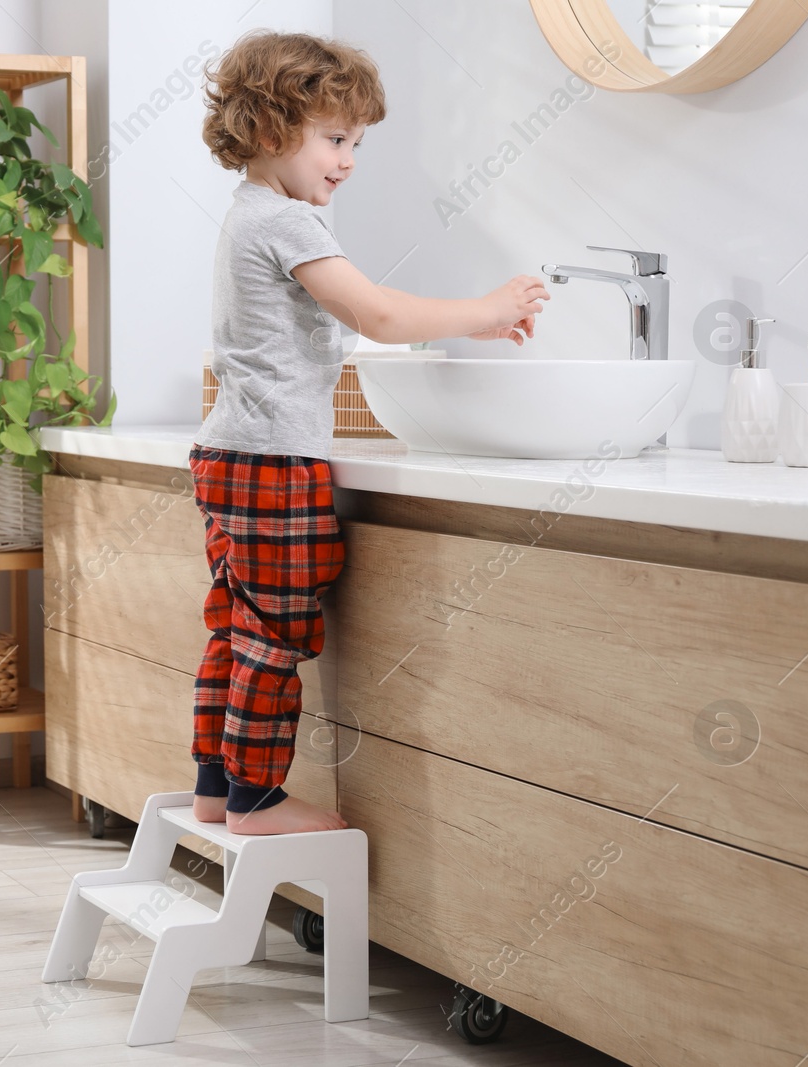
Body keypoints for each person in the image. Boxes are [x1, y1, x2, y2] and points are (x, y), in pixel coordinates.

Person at [189, 30, 550, 835]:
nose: (349, 159)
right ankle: (256, 799)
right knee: (276, 635)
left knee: (238, 625)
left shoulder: (248, 214)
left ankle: (218, 783)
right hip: (275, 460)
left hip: (228, 453)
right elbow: (378, 313)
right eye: (336, 137)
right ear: (272, 127)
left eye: (356, 141)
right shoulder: (290, 225)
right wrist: (486, 313)